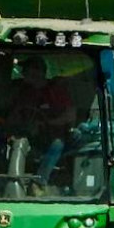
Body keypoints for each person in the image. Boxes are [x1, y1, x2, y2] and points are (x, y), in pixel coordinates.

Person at [11, 57, 76, 185]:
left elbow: (70, 115)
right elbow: (15, 113)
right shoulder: (24, 92)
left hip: (56, 135)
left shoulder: (56, 90)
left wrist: (48, 123)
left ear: (38, 73)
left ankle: (40, 182)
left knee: (57, 144)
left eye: (26, 70)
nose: (23, 73)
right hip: (30, 134)